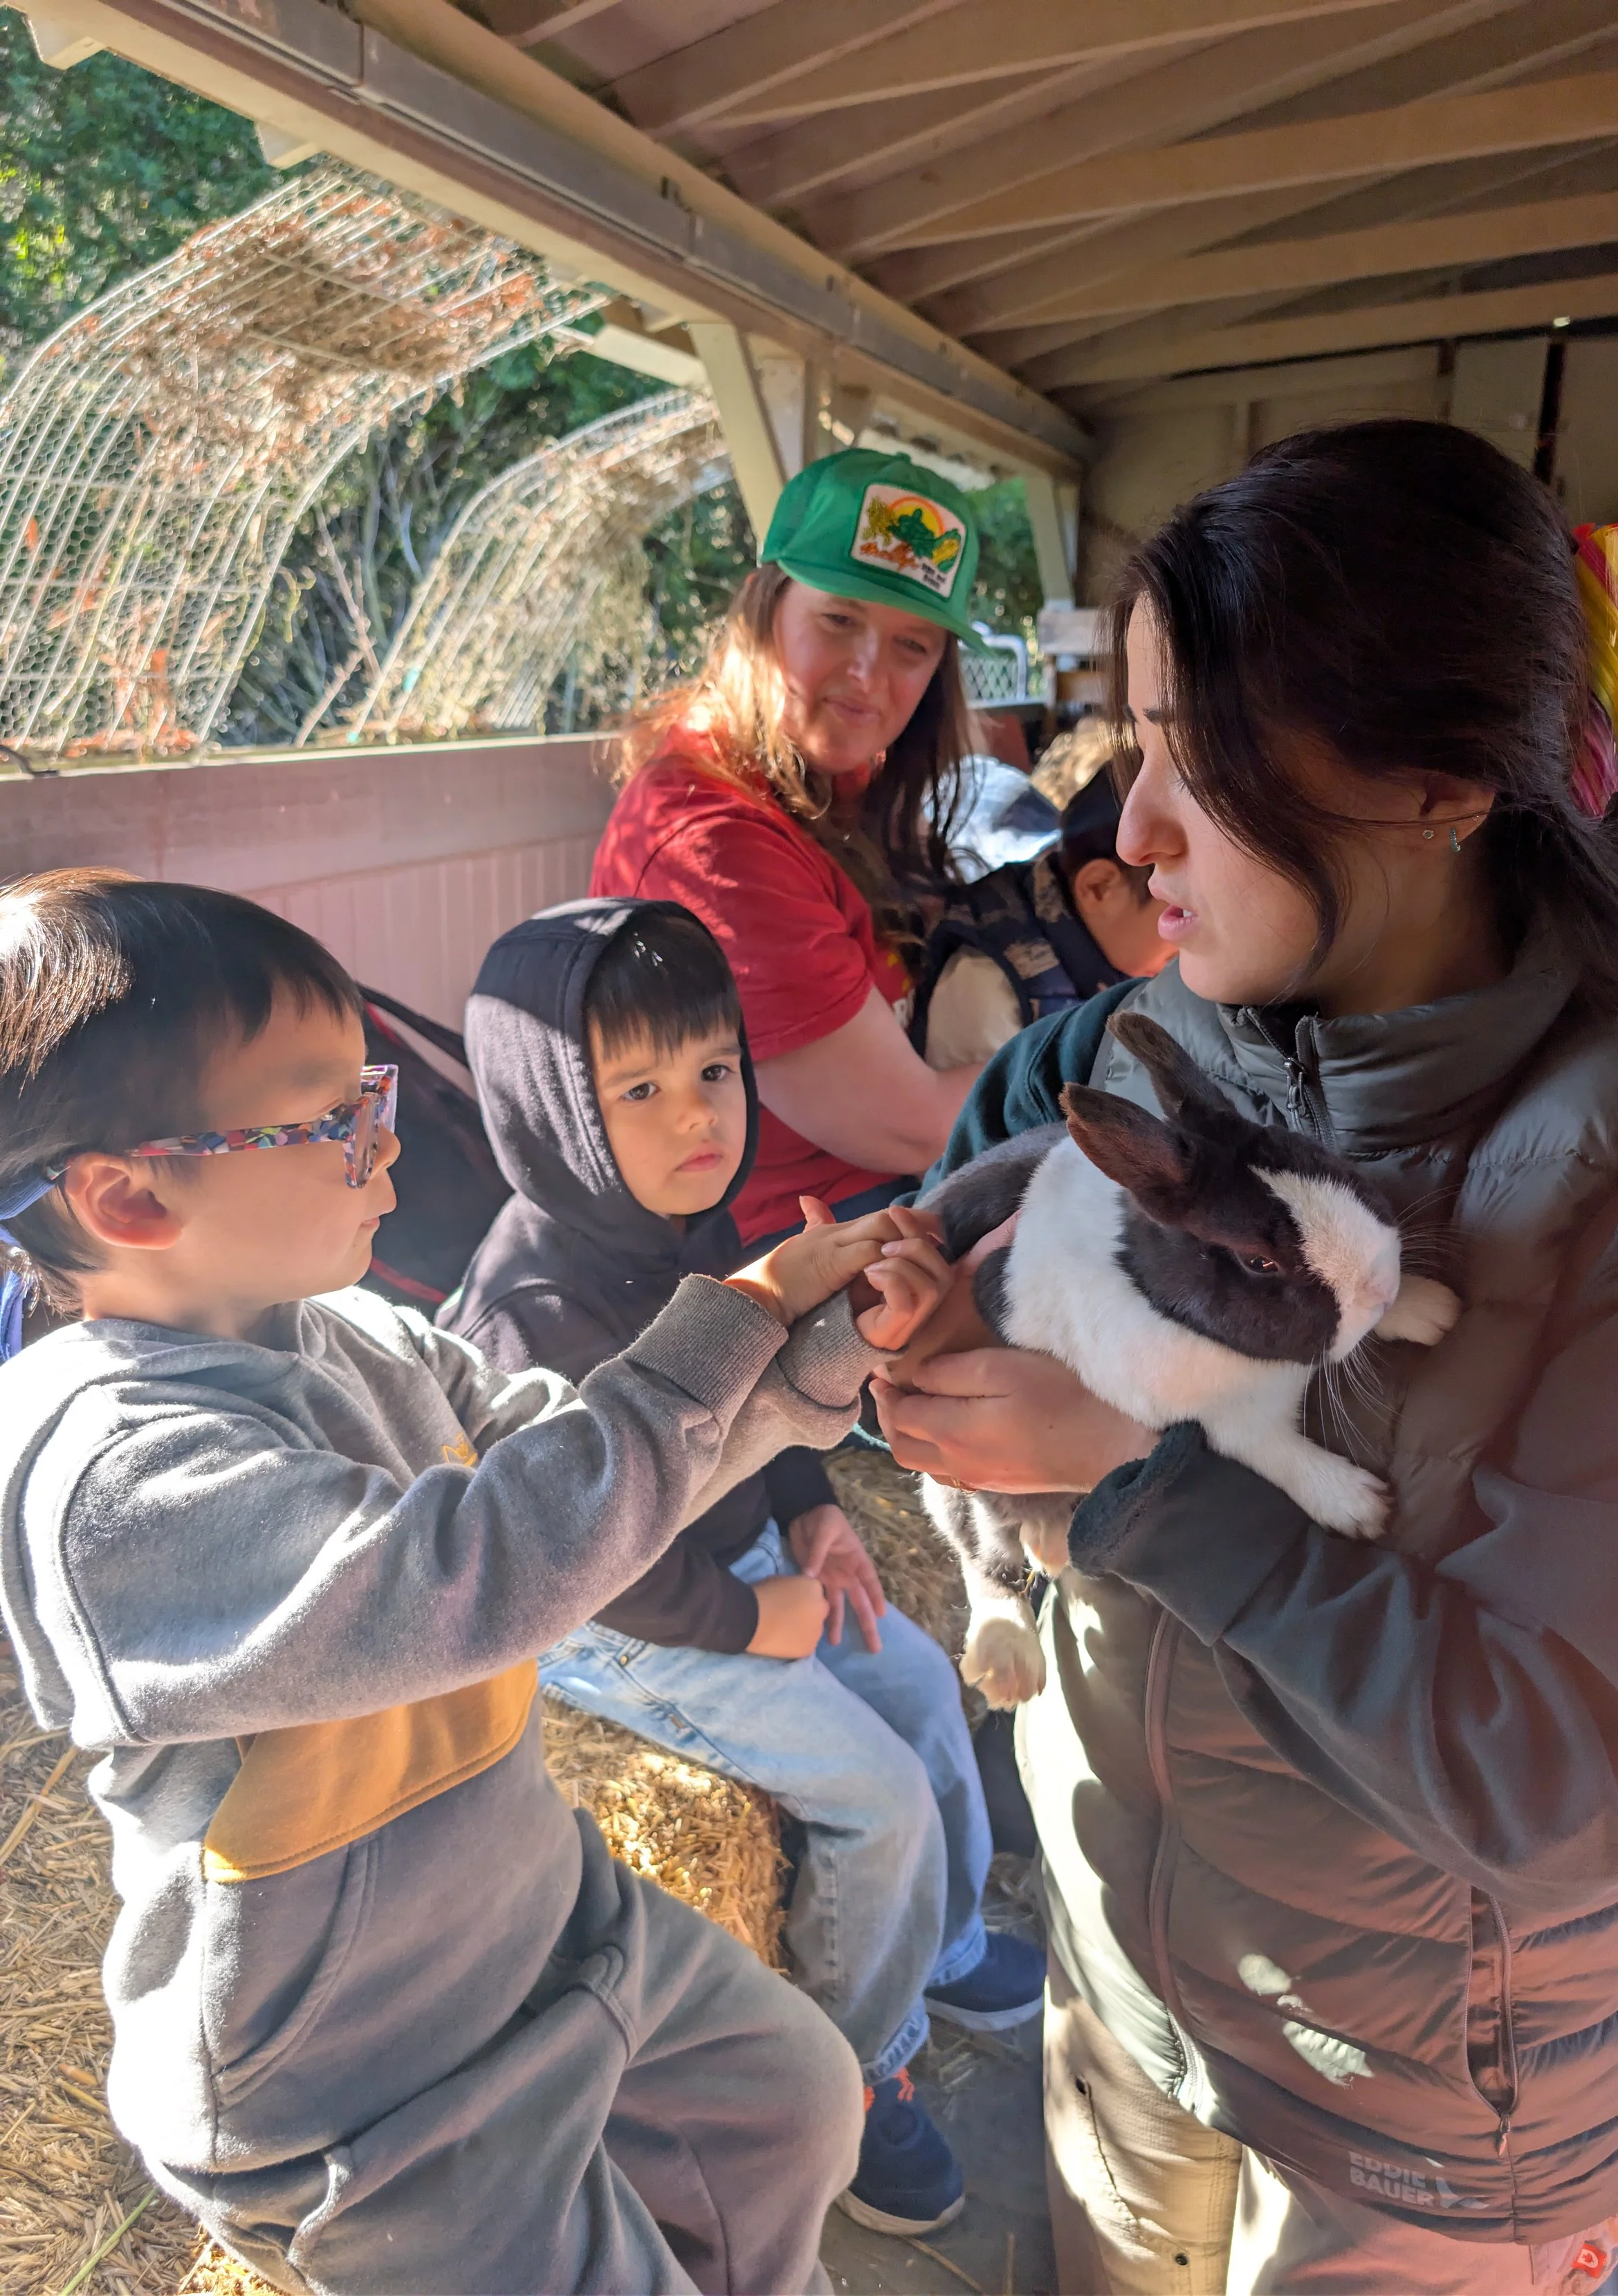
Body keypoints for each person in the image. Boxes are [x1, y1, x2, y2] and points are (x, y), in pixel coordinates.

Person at [874, 423, 1618, 2295]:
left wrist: (1129, 1472)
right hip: (1133, 1980)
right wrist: (906, 1298)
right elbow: (968, 1228)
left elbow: (1577, 1787)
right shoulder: (1125, 1054)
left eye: (1201, 760)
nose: (1126, 830)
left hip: (1431, 2113)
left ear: (1440, 784)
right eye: (1130, 740)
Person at [0, 869, 955, 2296]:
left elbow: (600, 1479)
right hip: (356, 2082)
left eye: (368, 1090)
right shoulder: (112, 1476)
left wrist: (815, 1355)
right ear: (131, 1194)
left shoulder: (358, 1332)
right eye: (330, 1118)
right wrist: (731, 1321)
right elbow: (476, 1574)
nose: (386, 1138)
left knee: (797, 2103)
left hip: (541, 1920)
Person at [438, 894, 1043, 2236]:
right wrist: (741, 1615)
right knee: (873, 1794)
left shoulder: (682, 1219)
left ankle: (939, 1946)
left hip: (736, 1552)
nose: (696, 1116)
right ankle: (864, 2065)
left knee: (927, 1690)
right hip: (627, 1612)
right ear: (549, 1106)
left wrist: (818, 1512)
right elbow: (575, 1552)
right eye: (639, 1087)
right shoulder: (527, 1308)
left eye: (713, 1070)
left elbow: (763, 1384)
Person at [589, 446, 992, 1246]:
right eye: (839, 620)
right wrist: (1102, 1050)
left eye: (912, 645)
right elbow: (908, 1127)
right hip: (793, 1252)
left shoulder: (824, 793)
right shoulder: (711, 841)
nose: (868, 675)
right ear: (761, 607)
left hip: (894, 1204)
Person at [914, 766, 1175, 1069]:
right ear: (1099, 888)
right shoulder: (989, 994)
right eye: (1182, 912)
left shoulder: (1118, 955)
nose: (1199, 941)